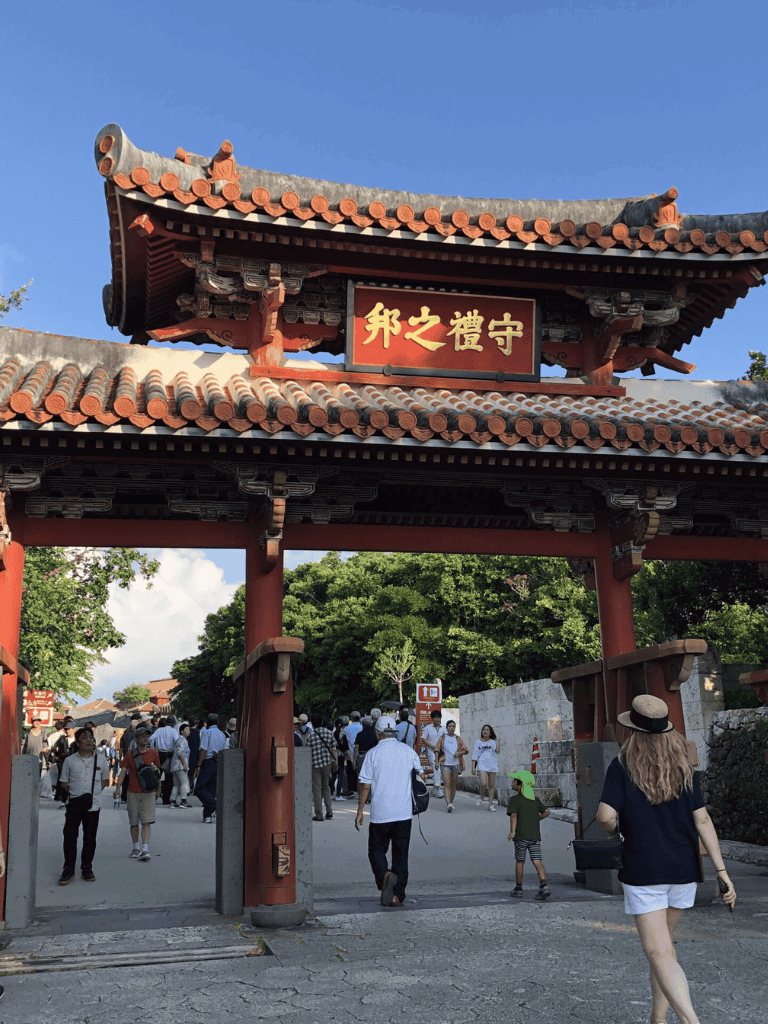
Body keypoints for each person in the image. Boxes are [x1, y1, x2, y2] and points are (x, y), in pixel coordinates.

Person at [596, 695, 736, 1024]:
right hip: (684, 869)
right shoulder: (684, 766)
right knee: (664, 952)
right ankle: (658, 1019)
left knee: (659, 953)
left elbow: (604, 816)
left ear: (632, 728)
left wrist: (616, 827)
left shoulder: (622, 764)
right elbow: (703, 821)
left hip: (645, 868)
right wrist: (722, 871)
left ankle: (690, 1020)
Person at [355, 716, 424, 907]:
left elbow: (366, 786)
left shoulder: (372, 754)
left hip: (380, 813)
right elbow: (421, 775)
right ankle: (397, 896)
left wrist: (360, 811)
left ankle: (384, 875)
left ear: (377, 733)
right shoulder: (407, 751)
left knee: (375, 850)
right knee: (401, 854)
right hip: (403, 813)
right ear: (395, 732)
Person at [57, 728, 110, 883]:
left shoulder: (100, 759)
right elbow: (64, 782)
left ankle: (87, 867)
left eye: (91, 737)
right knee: (70, 837)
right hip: (73, 804)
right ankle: (68, 869)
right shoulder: (70, 760)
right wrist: (77, 792)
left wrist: (92, 794)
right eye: (85, 737)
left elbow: (105, 781)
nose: (89, 740)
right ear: (77, 742)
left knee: (90, 838)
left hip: (93, 805)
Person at [114, 724, 160, 861]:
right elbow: (122, 772)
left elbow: (157, 773)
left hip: (148, 792)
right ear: (136, 739)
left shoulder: (154, 754)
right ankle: (135, 847)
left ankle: (145, 849)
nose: (145, 738)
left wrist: (159, 789)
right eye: (142, 736)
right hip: (133, 791)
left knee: (146, 821)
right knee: (134, 822)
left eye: (147, 736)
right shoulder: (129, 755)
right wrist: (118, 788)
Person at [507, 770, 551, 899]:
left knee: (520, 861)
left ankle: (519, 888)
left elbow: (513, 816)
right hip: (535, 836)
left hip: (521, 836)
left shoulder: (515, 800)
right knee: (537, 860)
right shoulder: (535, 800)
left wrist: (512, 831)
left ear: (519, 784)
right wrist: (536, 819)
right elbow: (547, 812)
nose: (512, 782)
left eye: (514, 780)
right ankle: (543, 885)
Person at [194, 713, 228, 823]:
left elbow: (203, 749)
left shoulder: (206, 733)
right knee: (211, 790)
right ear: (217, 722)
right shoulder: (222, 735)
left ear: (207, 723)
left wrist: (199, 764)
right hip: (218, 761)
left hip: (208, 761)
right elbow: (223, 751)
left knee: (199, 789)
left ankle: (214, 807)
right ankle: (207, 816)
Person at [306, 713, 338, 821]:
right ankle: (329, 811)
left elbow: (307, 752)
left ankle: (319, 814)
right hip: (327, 764)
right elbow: (333, 749)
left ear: (313, 724)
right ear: (322, 723)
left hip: (315, 765)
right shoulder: (329, 733)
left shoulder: (311, 736)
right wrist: (336, 762)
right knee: (326, 787)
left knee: (316, 789)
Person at [434, 720, 468, 812]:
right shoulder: (443, 737)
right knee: (447, 783)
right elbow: (437, 749)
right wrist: (436, 762)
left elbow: (466, 750)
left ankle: (451, 802)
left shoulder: (458, 738)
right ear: (447, 728)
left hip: (456, 764)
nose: (452, 728)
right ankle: (448, 804)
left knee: (454, 785)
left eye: (453, 726)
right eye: (450, 726)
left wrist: (459, 753)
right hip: (445, 763)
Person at [149, 714, 180, 805]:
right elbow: (177, 742)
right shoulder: (174, 731)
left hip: (158, 754)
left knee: (156, 775)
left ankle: (152, 797)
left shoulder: (159, 730)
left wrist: (153, 748)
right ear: (173, 723)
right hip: (169, 755)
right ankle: (165, 799)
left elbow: (151, 739)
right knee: (168, 778)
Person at [472, 724, 501, 811]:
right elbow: (475, 755)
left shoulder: (492, 741)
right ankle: (481, 797)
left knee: (491, 786)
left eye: (487, 730)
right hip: (482, 765)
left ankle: (490, 805)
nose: (485, 731)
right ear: (482, 732)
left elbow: (498, 752)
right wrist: (473, 767)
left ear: (490, 732)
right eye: (484, 729)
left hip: (492, 765)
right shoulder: (478, 742)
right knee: (483, 783)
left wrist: (498, 742)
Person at [51, 718, 77, 804]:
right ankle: (62, 798)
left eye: (69, 729)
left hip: (74, 763)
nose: (67, 731)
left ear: (74, 729)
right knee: (63, 780)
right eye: (66, 729)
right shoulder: (62, 739)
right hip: (63, 763)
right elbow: (56, 749)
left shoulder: (78, 740)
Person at [421, 709, 445, 797]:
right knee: (436, 768)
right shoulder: (428, 728)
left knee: (441, 769)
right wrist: (432, 746)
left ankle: (434, 789)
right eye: (435, 718)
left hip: (442, 752)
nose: (437, 719)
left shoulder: (444, 728)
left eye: (438, 718)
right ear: (432, 719)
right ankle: (438, 789)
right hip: (432, 752)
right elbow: (423, 739)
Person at [119, 714, 141, 803]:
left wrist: (120, 759)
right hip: (136, 759)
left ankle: (123, 796)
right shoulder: (138, 736)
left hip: (126, 758)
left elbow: (121, 749)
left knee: (126, 778)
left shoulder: (124, 735)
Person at [170, 722, 191, 807]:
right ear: (181, 731)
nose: (188, 731)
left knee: (176, 785)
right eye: (187, 730)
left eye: (189, 730)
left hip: (174, 766)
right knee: (184, 783)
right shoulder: (182, 740)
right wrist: (184, 764)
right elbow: (180, 752)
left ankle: (173, 801)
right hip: (180, 766)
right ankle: (183, 801)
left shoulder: (179, 740)